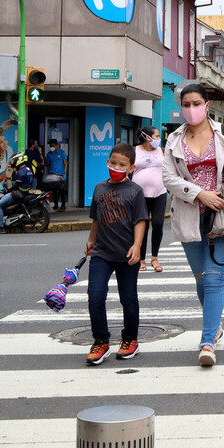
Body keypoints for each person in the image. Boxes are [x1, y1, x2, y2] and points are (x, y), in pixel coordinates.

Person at [162, 83, 224, 366]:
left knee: (214, 277)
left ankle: (207, 342)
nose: (191, 109)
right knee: (201, 279)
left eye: (196, 103)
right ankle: (214, 323)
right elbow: (168, 177)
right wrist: (198, 193)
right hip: (190, 215)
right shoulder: (174, 140)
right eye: (186, 104)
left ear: (206, 105)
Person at [84, 142, 149, 365]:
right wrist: (92, 239)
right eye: (113, 163)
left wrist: (138, 246)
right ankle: (101, 341)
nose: (116, 167)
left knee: (128, 298)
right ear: (107, 161)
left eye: (122, 165)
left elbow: (140, 220)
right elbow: (96, 217)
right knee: (95, 295)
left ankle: (130, 339)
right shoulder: (99, 188)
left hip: (127, 253)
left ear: (131, 168)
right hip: (102, 251)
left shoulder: (135, 191)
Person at [133, 126, 168, 272]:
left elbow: (170, 169)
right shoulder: (135, 150)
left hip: (160, 191)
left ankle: (155, 258)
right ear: (147, 137)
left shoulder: (162, 151)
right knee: (143, 225)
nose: (158, 139)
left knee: (158, 223)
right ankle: (141, 260)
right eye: (156, 136)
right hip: (139, 193)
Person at [0, 152, 35, 233]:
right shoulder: (28, 169)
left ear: (19, 160)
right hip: (25, 192)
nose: (13, 162)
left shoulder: (21, 172)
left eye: (14, 161)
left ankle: (0, 228)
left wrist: (7, 190)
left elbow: (16, 186)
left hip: (19, 193)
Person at [45, 138, 67, 211]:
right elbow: (47, 164)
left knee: (61, 190)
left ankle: (63, 205)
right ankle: (56, 205)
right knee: (54, 191)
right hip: (52, 174)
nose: (52, 147)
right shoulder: (49, 154)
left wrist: (65, 173)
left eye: (53, 146)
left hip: (60, 174)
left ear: (57, 145)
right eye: (51, 146)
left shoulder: (62, 152)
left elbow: (65, 163)